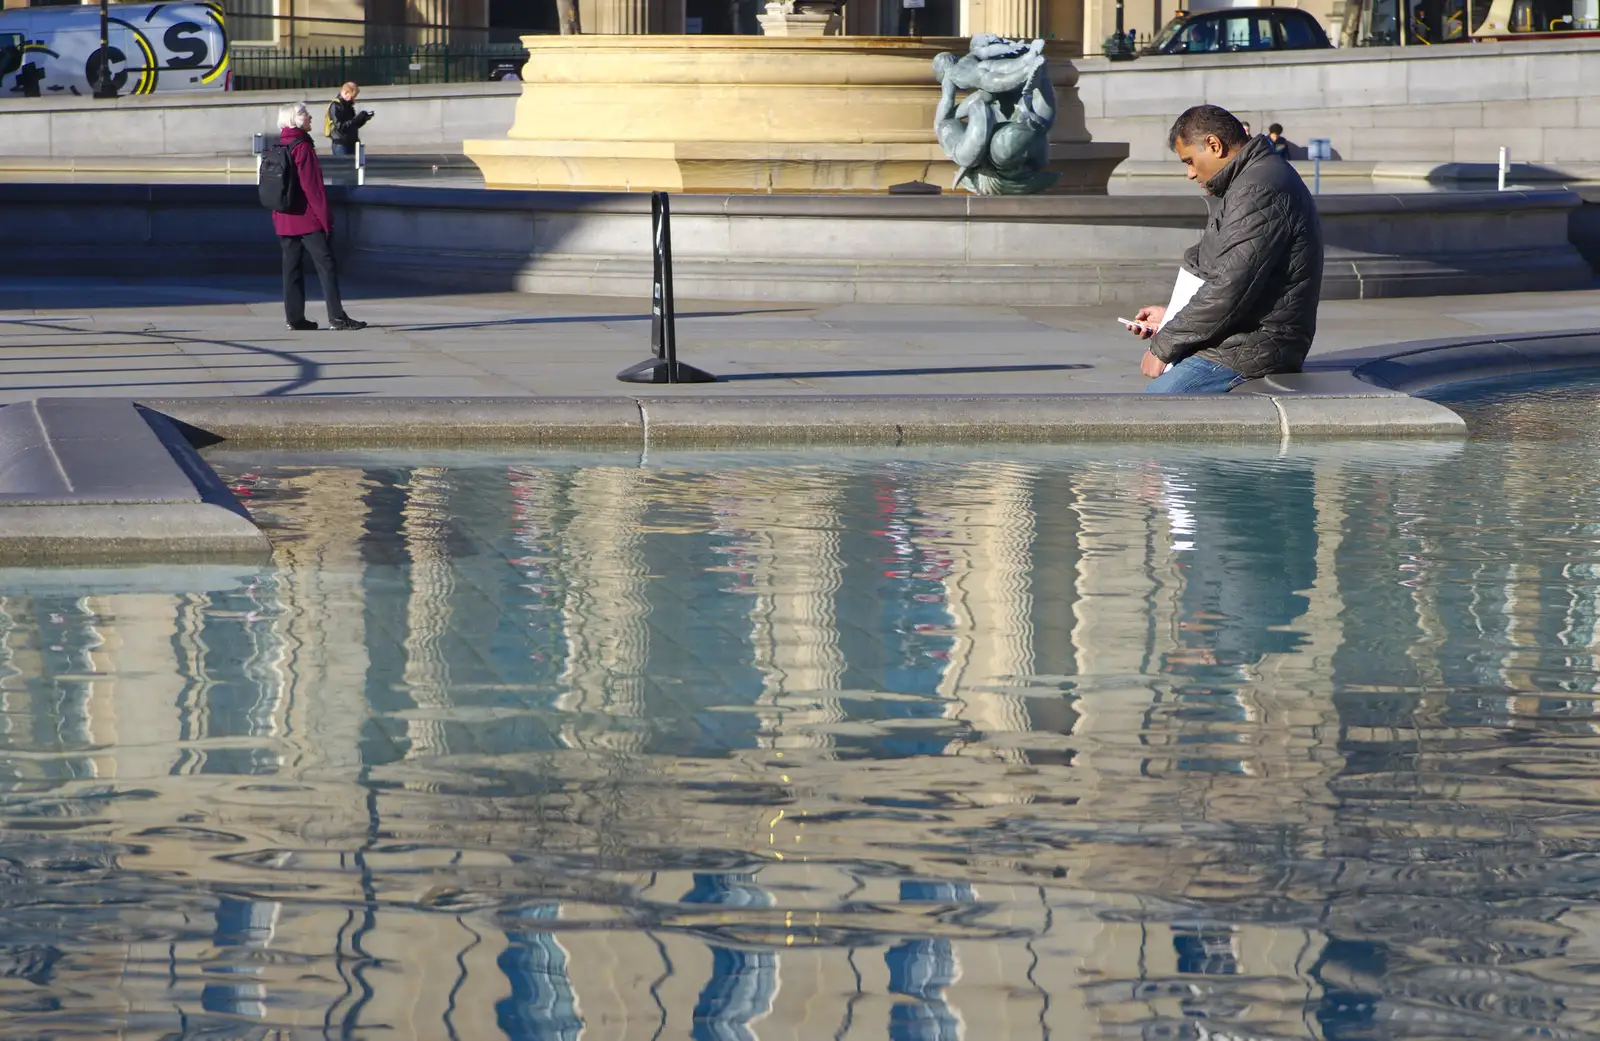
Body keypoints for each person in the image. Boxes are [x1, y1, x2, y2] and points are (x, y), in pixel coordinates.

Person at [1125, 104, 1323, 394]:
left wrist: (1164, 345)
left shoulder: (1258, 188)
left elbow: (1230, 287)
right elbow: (1232, 276)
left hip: (1251, 349)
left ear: (1214, 145)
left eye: (1189, 160)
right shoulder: (1255, 179)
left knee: (1153, 412)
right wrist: (1172, 317)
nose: (1190, 173)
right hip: (1240, 337)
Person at [273, 102, 365, 332]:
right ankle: (337, 317)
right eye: (304, 114)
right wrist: (326, 220)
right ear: (294, 119)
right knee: (326, 266)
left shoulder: (279, 144)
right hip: (306, 219)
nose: (310, 116)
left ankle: (294, 318)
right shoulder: (302, 146)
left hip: (284, 218)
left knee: (291, 269)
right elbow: (313, 189)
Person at [326, 81, 373, 157]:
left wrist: (363, 119)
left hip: (351, 142)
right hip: (341, 144)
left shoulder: (348, 105)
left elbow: (352, 125)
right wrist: (356, 120)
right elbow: (340, 127)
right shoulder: (336, 105)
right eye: (352, 96)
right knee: (343, 167)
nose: (353, 99)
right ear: (346, 92)